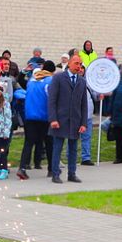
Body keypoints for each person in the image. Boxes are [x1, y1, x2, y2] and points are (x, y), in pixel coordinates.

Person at [47, 55, 89, 184]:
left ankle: (72, 173)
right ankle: (55, 174)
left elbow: (84, 104)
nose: (78, 66)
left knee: (73, 149)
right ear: (69, 64)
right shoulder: (58, 78)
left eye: (80, 64)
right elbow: (52, 100)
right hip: (60, 120)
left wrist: (83, 123)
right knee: (57, 148)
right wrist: (53, 119)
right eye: (76, 63)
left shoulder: (81, 81)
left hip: (75, 120)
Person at [17, 60, 56, 180]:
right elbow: (52, 99)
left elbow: (21, 82)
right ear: (53, 71)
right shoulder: (51, 81)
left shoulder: (32, 81)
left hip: (29, 116)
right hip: (45, 117)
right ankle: (51, 169)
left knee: (29, 143)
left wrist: (23, 72)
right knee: (49, 143)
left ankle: (22, 168)